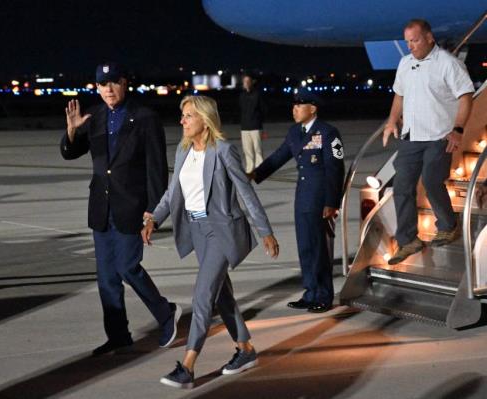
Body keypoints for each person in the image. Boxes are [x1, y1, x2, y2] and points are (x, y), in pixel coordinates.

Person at [142, 95, 279, 389]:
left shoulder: (224, 151)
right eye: (182, 116)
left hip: (221, 231)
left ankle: (188, 366)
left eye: (188, 116)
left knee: (202, 296)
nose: (182, 121)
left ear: (204, 120)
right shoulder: (183, 152)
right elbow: (172, 193)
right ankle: (245, 350)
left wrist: (264, 230)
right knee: (220, 294)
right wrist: (154, 217)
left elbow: (246, 192)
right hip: (197, 231)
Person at [60, 62, 181, 356]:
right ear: (97, 87)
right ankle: (118, 335)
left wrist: (154, 212)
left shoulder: (145, 117)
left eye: (114, 82)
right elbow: (70, 152)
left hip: (132, 206)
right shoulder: (95, 116)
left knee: (128, 268)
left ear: (125, 83)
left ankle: (166, 314)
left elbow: (156, 168)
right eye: (103, 84)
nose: (109, 89)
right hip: (102, 208)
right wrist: (72, 131)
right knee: (106, 277)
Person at [383, 19, 474, 265]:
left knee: (432, 180)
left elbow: (466, 97)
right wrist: (391, 121)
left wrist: (458, 130)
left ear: (429, 37)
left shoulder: (448, 64)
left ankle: (447, 224)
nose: (411, 46)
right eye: (408, 42)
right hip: (411, 136)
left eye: (415, 40)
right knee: (401, 187)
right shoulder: (405, 63)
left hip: (439, 135)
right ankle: (408, 240)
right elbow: (399, 95)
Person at [249, 91, 345, 313]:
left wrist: (332, 201)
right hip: (302, 197)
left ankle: (323, 295)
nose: (295, 109)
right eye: (293, 106)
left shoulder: (328, 133)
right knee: (305, 247)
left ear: (313, 109)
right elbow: (279, 156)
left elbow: (335, 169)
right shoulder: (295, 133)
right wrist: (254, 174)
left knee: (320, 248)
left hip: (321, 200)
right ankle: (310, 292)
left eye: (300, 105)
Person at [239, 72, 266, 173]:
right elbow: (241, 109)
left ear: (251, 82)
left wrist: (259, 121)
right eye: (244, 81)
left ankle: (260, 168)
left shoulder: (257, 94)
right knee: (247, 150)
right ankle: (249, 168)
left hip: (255, 126)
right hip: (245, 127)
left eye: (247, 81)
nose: (245, 83)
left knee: (257, 149)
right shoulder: (242, 95)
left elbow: (263, 109)